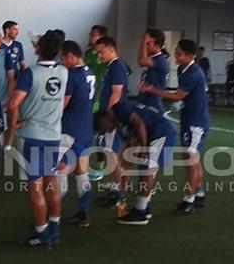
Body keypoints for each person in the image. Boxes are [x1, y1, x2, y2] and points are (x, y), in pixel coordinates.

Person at [5, 31, 68, 249]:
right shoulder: (63, 71)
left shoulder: (30, 73)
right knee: (51, 182)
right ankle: (55, 227)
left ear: (38, 48)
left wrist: (14, 124)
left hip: (33, 135)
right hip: (53, 134)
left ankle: (42, 233)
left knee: (35, 186)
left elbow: (13, 104)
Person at [139, 39, 210, 214]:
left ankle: (189, 201)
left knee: (190, 160)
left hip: (196, 123)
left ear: (189, 56)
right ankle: (199, 194)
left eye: (179, 54)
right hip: (190, 119)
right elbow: (184, 96)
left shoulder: (194, 73)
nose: (175, 57)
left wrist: (150, 89)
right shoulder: (183, 69)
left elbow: (178, 95)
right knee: (193, 160)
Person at [101, 102, 177, 225]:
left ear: (105, 118)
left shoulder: (119, 109)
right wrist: (125, 174)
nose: (106, 130)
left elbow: (139, 124)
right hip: (158, 133)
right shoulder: (119, 120)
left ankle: (140, 213)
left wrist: (143, 148)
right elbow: (130, 147)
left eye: (103, 126)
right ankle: (144, 207)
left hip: (161, 133)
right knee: (145, 169)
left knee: (147, 170)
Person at [56, 40, 95, 228]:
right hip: (86, 129)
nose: (62, 62)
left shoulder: (72, 76)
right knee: (81, 173)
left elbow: (63, 104)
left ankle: (52, 218)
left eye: (63, 58)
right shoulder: (90, 73)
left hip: (70, 130)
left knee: (59, 171)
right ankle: (83, 213)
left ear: (71, 56)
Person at [94, 36, 129, 208]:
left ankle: (119, 195)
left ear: (111, 49)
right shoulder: (112, 67)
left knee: (111, 154)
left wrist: (108, 116)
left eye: (101, 52)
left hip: (113, 118)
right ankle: (116, 190)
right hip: (111, 117)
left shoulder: (117, 67)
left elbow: (116, 93)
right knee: (110, 153)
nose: (98, 55)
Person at [137, 28, 169, 112]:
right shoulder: (152, 58)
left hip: (152, 102)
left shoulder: (160, 60)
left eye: (148, 44)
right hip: (144, 100)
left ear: (157, 45)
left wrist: (144, 40)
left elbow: (141, 61)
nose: (145, 46)